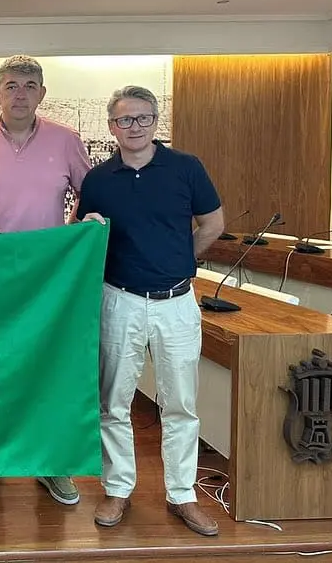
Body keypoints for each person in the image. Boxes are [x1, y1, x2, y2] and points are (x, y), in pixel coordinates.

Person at [0, 54, 98, 505]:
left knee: (49, 369)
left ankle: (52, 464)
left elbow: (91, 195)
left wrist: (75, 226)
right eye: (11, 85)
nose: (20, 94)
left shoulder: (66, 140)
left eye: (30, 86)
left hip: (49, 281)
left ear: (42, 94)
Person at [76, 85, 225, 536]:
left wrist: (181, 260)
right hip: (118, 300)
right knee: (113, 402)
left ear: (156, 122)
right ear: (112, 127)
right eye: (125, 120)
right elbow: (82, 230)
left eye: (143, 118)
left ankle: (182, 494)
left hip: (177, 303)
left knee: (180, 404)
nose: (135, 127)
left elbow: (213, 224)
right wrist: (85, 224)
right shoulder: (98, 180)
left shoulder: (186, 167)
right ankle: (117, 488)